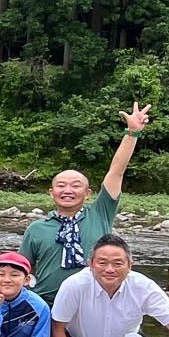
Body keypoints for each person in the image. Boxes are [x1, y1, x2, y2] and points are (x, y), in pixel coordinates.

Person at [20, 104, 151, 302]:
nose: (68, 190)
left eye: (76, 186)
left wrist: (132, 133)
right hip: (47, 303)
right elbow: (20, 269)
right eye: (61, 186)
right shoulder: (36, 229)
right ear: (51, 193)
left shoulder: (100, 213)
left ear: (88, 193)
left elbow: (116, 172)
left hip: (94, 302)